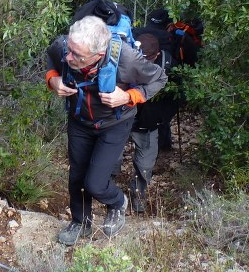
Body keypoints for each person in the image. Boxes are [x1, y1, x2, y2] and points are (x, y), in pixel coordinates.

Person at [45, 15, 168, 245]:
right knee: (77, 176)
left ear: (98, 55)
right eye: (69, 51)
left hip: (114, 124)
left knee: (95, 182)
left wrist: (128, 96)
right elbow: (52, 61)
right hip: (79, 121)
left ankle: (117, 202)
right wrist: (53, 80)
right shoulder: (64, 46)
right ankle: (80, 222)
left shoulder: (126, 59)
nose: (68, 57)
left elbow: (159, 79)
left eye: (77, 55)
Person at [137, 8, 200, 152]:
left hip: (139, 85)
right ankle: (162, 147)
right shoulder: (176, 37)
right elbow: (192, 62)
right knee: (161, 116)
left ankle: (150, 148)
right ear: (169, 24)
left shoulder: (139, 34)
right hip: (168, 84)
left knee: (147, 116)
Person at [127, 33, 177, 213]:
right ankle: (106, 190)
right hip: (121, 120)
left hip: (148, 124)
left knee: (145, 165)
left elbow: (176, 97)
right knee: (111, 159)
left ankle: (138, 196)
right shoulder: (123, 59)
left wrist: (161, 118)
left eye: (146, 59)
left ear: (156, 55)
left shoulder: (168, 67)